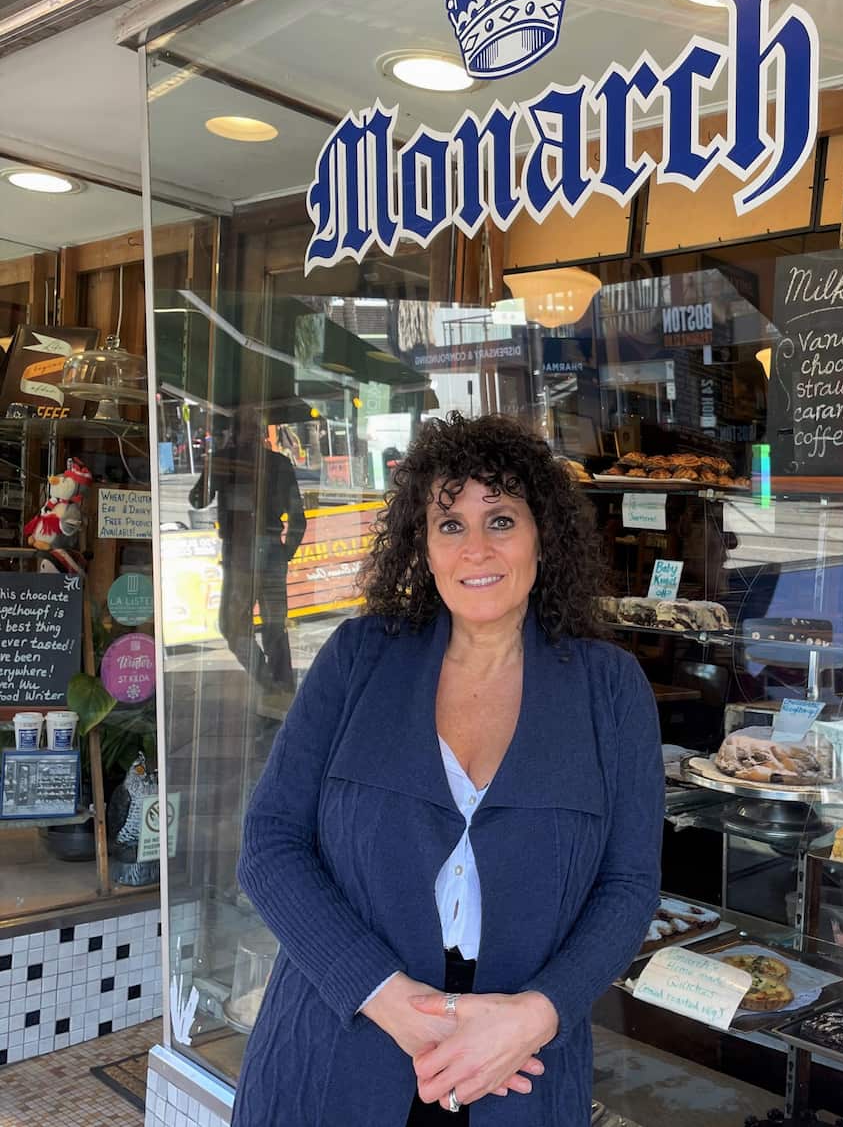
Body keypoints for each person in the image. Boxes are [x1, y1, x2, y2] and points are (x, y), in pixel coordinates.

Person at [232, 413, 664, 1126]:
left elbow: (628, 885)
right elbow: (271, 847)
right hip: (337, 1053)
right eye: (450, 525)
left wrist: (540, 1013)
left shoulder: (609, 689)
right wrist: (387, 998)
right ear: (423, 546)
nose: (476, 549)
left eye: (500, 519)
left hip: (518, 1068)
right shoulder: (359, 659)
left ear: (542, 538)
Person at [189, 407, 305, 699]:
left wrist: (214, 464)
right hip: (270, 552)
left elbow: (197, 499)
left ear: (234, 432)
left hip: (240, 555)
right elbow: (297, 517)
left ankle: (270, 685)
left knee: (233, 625)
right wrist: (285, 551)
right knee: (274, 627)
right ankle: (282, 691)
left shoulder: (225, 461)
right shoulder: (278, 463)